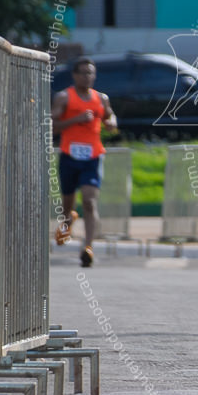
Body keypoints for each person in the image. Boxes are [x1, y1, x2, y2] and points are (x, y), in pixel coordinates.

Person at [52, 57, 118, 267]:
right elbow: (52, 126)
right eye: (83, 73)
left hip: (93, 156)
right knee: (67, 203)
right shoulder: (64, 97)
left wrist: (111, 123)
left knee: (90, 202)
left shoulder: (101, 98)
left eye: (91, 73)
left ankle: (87, 247)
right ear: (75, 75)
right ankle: (68, 219)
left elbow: (111, 118)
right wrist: (76, 120)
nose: (87, 76)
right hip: (69, 155)